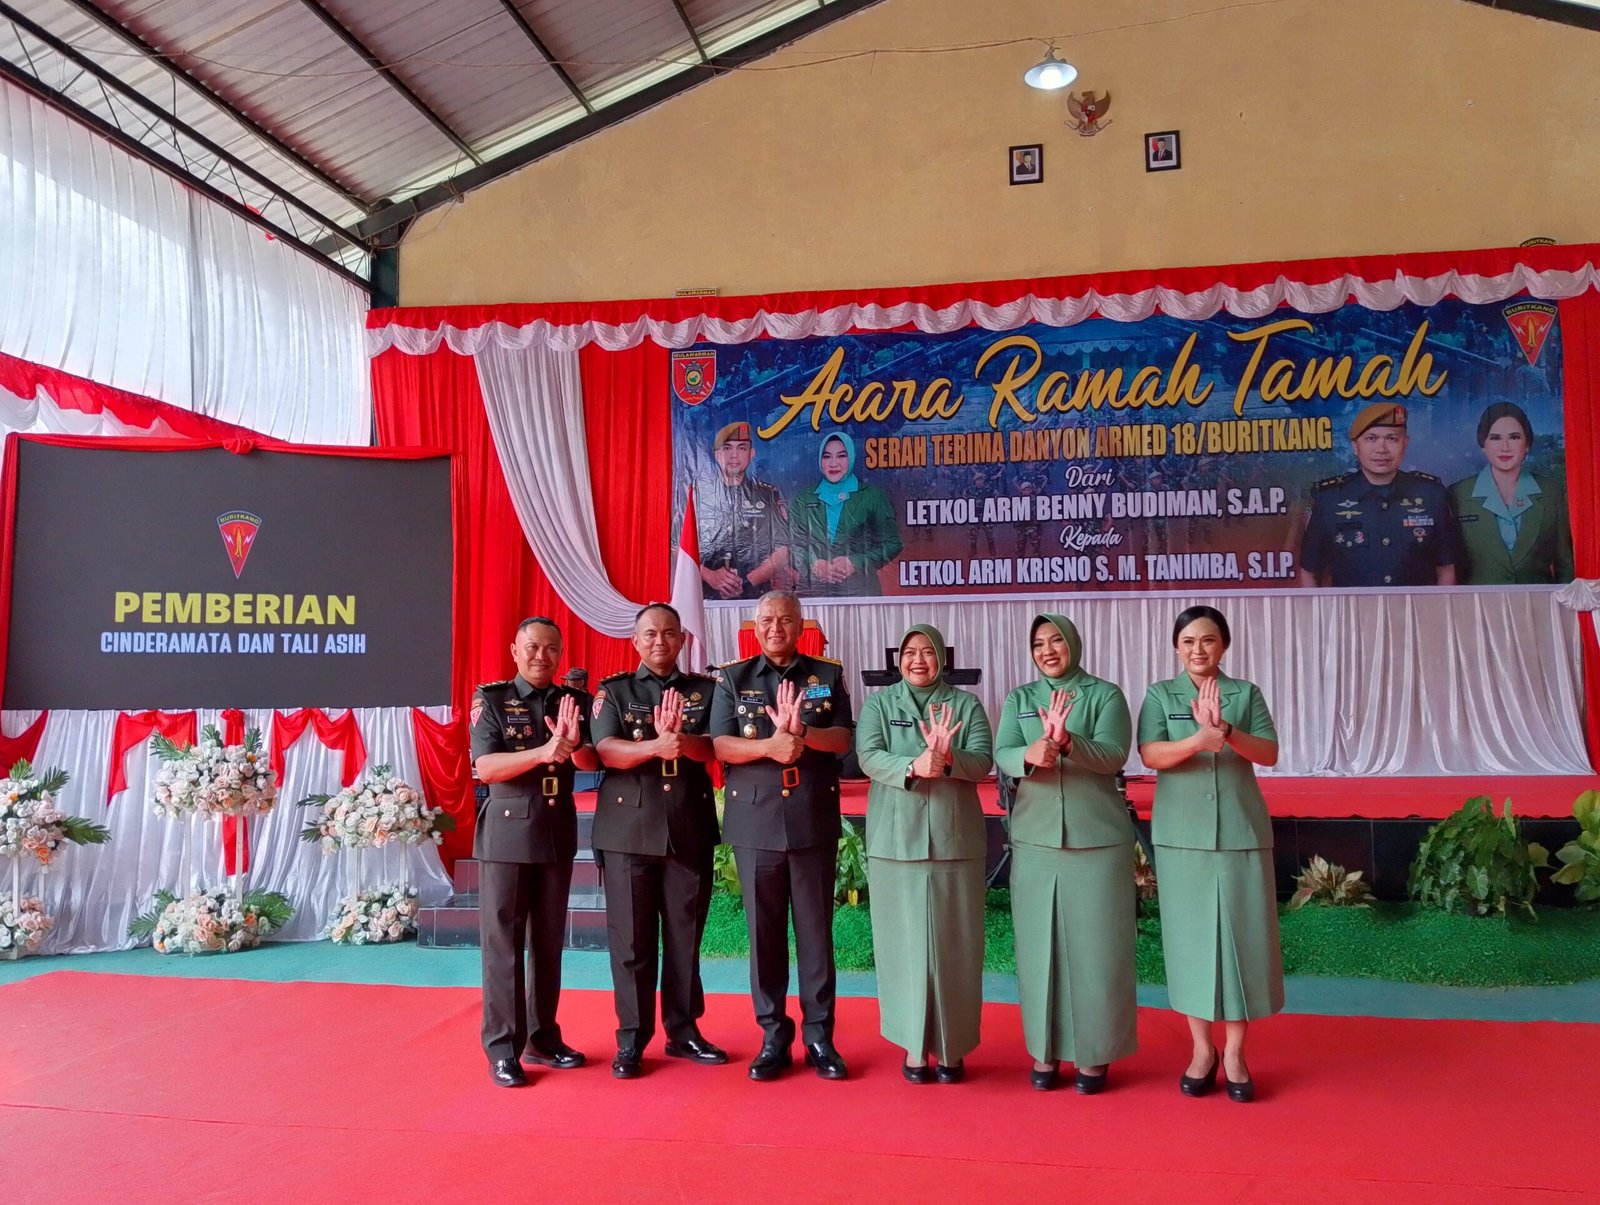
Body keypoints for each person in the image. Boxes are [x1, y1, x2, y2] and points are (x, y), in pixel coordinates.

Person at [1136, 605, 1282, 1104]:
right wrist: (1199, 739)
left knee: (1244, 939)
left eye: (1208, 640)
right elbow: (1151, 754)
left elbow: (1269, 753)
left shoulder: (1246, 694)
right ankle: (1202, 1049)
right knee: (1191, 942)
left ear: (1224, 645)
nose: (1198, 649)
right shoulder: (1161, 694)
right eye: (1188, 641)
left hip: (1240, 831)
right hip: (1182, 837)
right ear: (1176, 648)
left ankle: (1236, 1052)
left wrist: (1228, 732)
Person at [710, 590, 854, 1081]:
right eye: (768, 620)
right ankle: (773, 1036)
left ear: (800, 625)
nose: (776, 628)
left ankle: (819, 1037)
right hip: (756, 821)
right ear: (756, 626)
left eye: (786, 620)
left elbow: (843, 738)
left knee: (816, 934)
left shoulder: (826, 675)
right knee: (764, 935)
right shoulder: (733, 678)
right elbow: (720, 744)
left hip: (811, 816)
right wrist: (771, 747)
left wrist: (803, 736)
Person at [994, 613, 1137, 1094]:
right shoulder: (1020, 699)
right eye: (1039, 643)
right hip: (1036, 840)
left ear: (1073, 643)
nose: (1048, 650)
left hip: (1097, 840)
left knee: (1097, 949)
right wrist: (1028, 755)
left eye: (1056, 640)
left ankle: (1095, 1053)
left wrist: (1069, 742)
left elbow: (1114, 754)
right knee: (1039, 949)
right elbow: (1003, 752)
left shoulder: (1104, 695)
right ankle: (1045, 1049)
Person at [591, 604, 726, 1079]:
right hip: (628, 832)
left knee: (685, 938)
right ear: (635, 641)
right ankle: (631, 1039)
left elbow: (718, 746)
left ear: (683, 639)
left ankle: (683, 1030)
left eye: (669, 633)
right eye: (650, 634)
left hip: (688, 828)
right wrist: (655, 745)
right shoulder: (615, 690)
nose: (660, 642)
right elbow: (606, 750)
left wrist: (682, 742)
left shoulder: (706, 690)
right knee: (631, 943)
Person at [855, 624, 993, 1084]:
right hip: (895, 843)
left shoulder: (966, 705)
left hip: (955, 842)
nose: (918, 660)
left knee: (957, 946)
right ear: (899, 660)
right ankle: (913, 1045)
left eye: (928, 652)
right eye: (910, 652)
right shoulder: (879, 704)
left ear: (942, 659)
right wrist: (912, 765)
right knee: (902, 947)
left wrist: (948, 758)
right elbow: (868, 756)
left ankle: (953, 1048)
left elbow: (984, 760)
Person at [470, 616, 600, 1088]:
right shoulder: (492, 699)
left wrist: (573, 746)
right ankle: (503, 1049)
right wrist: (544, 751)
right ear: (515, 651)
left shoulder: (574, 701)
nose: (542, 656)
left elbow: (592, 760)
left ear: (560, 653)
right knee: (504, 945)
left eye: (551, 649)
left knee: (547, 944)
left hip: (555, 830)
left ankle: (542, 1037)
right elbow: (486, 767)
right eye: (532, 647)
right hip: (507, 834)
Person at [1298, 402, 1459, 587]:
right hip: (1353, 606)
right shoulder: (1329, 498)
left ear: (1405, 443)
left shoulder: (1431, 494)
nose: (1381, 449)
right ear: (1355, 446)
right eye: (1371, 438)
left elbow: (1446, 570)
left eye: (1392, 439)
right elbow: (1309, 572)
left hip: (1415, 606)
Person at [1449, 401, 1574, 584]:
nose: (1505, 447)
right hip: (1477, 601)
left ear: (1527, 444)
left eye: (1514, 437)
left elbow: (1565, 564)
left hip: (1539, 600)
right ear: (1483, 444)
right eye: (1495, 438)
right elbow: (1448, 565)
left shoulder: (1551, 492)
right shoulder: (1458, 494)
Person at [788, 431, 902, 597]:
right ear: (820, 460)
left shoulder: (873, 496)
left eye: (841, 456)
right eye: (827, 456)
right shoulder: (802, 499)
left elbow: (892, 544)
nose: (833, 463)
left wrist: (855, 562)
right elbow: (793, 545)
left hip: (861, 591)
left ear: (852, 458)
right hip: (814, 591)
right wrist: (815, 564)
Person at [698, 421, 796, 600]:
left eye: (742, 448)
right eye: (727, 448)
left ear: (752, 454)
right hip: (705, 599)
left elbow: (783, 550)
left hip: (756, 598)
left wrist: (746, 582)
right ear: (716, 454)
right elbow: (677, 549)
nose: (734, 455)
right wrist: (710, 576)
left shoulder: (767, 495)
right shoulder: (698, 496)